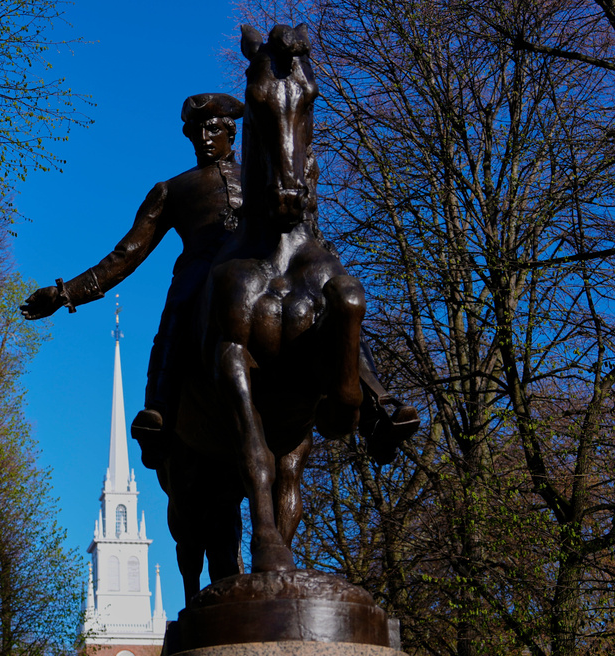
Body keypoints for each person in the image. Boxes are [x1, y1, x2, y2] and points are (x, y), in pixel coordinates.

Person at [21, 93, 417, 467]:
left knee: (332, 300)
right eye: (197, 132)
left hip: (264, 267)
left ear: (232, 132)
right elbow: (126, 255)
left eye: (213, 130)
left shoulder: (263, 178)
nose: (204, 139)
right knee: (178, 309)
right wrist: (65, 292)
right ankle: (159, 408)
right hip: (201, 269)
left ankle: (374, 405)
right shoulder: (171, 190)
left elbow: (301, 223)